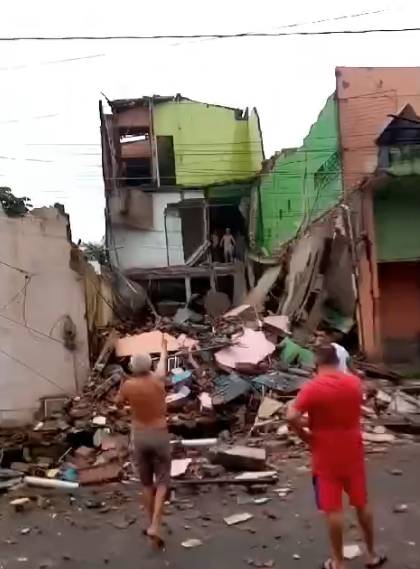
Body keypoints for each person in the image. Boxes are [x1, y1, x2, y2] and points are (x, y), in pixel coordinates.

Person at [286, 344, 386, 569]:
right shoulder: (353, 382)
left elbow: (291, 416)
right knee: (362, 502)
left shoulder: (312, 388)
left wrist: (305, 436)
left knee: (333, 508)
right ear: (337, 360)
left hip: (325, 451)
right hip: (353, 448)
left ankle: (338, 561)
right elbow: (361, 402)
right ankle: (371, 555)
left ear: (317, 362)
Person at [116, 335, 170, 549]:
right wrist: (164, 349)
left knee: (147, 484)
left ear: (132, 367)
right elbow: (163, 363)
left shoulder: (128, 385)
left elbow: (118, 405)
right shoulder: (158, 379)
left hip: (139, 435)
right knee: (163, 482)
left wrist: (130, 408)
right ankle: (156, 524)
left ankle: (150, 524)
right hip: (159, 434)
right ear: (150, 365)